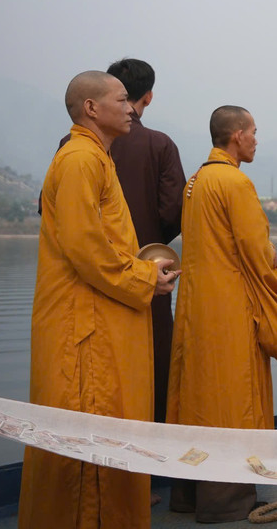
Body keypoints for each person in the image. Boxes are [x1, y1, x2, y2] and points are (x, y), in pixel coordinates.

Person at [18, 72, 179, 529]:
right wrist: (145, 279)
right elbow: (86, 249)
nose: (131, 109)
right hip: (81, 329)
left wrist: (145, 275)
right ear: (91, 108)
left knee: (110, 431)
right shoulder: (78, 161)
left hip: (101, 319)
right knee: (87, 439)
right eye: (122, 99)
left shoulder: (98, 158)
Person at [167, 105, 277, 523]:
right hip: (230, 309)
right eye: (253, 132)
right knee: (232, 397)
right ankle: (227, 501)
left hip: (196, 307)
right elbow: (256, 251)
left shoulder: (196, 181)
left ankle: (188, 495)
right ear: (236, 136)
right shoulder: (234, 182)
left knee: (197, 394)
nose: (256, 139)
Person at [61, 58, 185, 426]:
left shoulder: (81, 149)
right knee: (146, 363)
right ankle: (150, 456)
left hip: (114, 280)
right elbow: (173, 213)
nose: (128, 108)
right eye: (120, 101)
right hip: (141, 275)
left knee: (110, 373)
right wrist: (145, 262)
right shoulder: (86, 156)